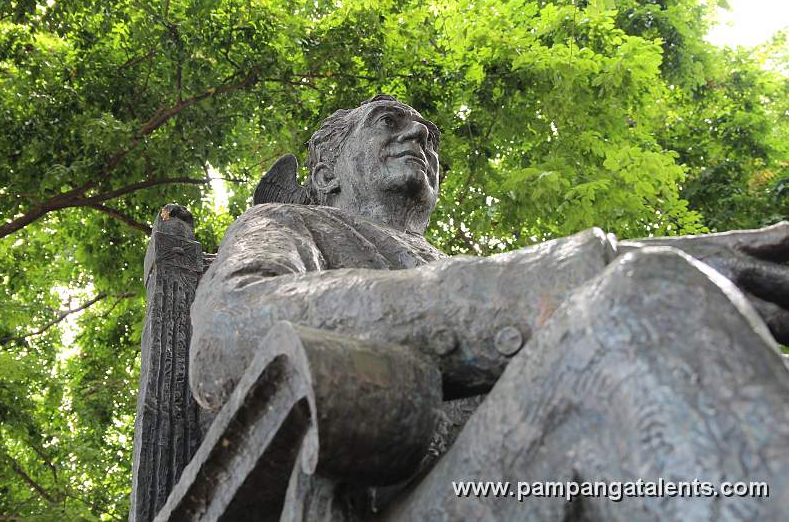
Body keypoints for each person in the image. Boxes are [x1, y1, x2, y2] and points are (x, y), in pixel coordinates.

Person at [189, 94, 789, 519]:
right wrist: (576, 277)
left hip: (530, 471)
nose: (418, 137)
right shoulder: (285, 224)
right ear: (325, 170)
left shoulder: (457, 266)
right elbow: (228, 331)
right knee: (640, 297)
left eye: (429, 135)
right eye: (388, 121)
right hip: (398, 497)